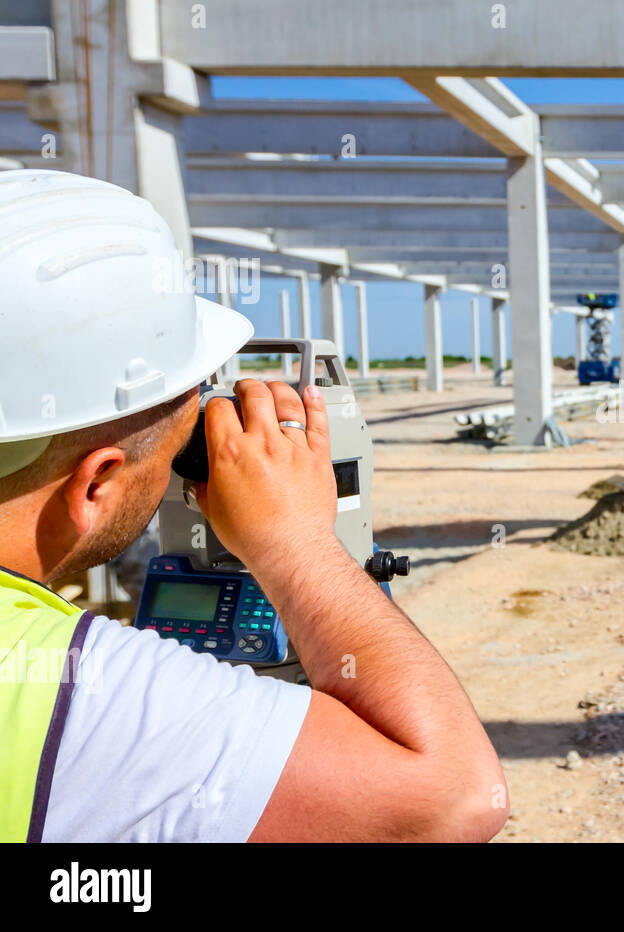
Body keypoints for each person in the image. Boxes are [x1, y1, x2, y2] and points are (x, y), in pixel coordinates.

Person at [0, 170, 506, 842]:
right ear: (97, 484)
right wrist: (296, 545)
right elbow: (457, 799)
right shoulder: (81, 696)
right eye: (184, 444)